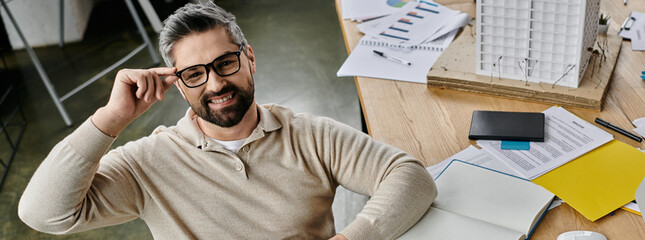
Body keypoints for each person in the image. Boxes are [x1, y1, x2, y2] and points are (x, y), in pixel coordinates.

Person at [18, 2, 436, 239]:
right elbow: (43, 214)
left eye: (225, 62)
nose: (216, 83)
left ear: (249, 58)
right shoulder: (147, 164)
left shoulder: (310, 135)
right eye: (195, 73)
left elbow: (410, 176)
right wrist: (109, 119)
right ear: (179, 85)